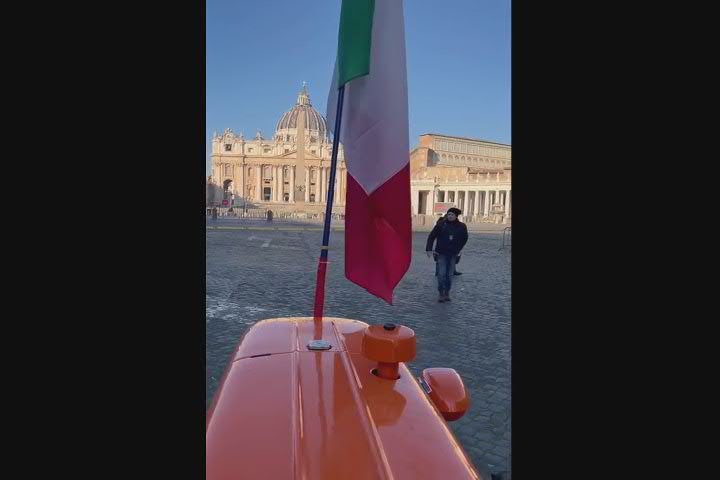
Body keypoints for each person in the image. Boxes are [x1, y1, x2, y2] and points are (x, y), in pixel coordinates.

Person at [426, 207, 468, 302]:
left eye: (452, 215)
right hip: (441, 252)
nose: (450, 216)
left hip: (453, 253)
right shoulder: (441, 225)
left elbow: (465, 238)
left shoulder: (462, 226)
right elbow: (431, 236)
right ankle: (441, 293)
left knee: (449, 275)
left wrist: (459, 248)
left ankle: (447, 293)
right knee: (441, 274)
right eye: (448, 214)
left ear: (456, 216)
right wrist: (429, 249)